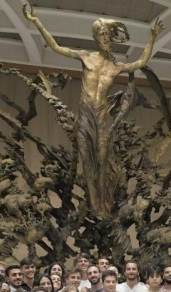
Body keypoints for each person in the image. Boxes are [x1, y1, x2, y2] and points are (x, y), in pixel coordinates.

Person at [23, 5, 163, 216]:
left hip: (101, 117)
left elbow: (140, 62)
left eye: (106, 34)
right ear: (95, 38)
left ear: (111, 37)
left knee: (103, 156)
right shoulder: (86, 56)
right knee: (87, 159)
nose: (104, 38)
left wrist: (152, 38)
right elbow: (56, 47)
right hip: (85, 117)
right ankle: (94, 202)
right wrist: (36, 22)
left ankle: (103, 202)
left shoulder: (116, 66)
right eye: (100, 35)